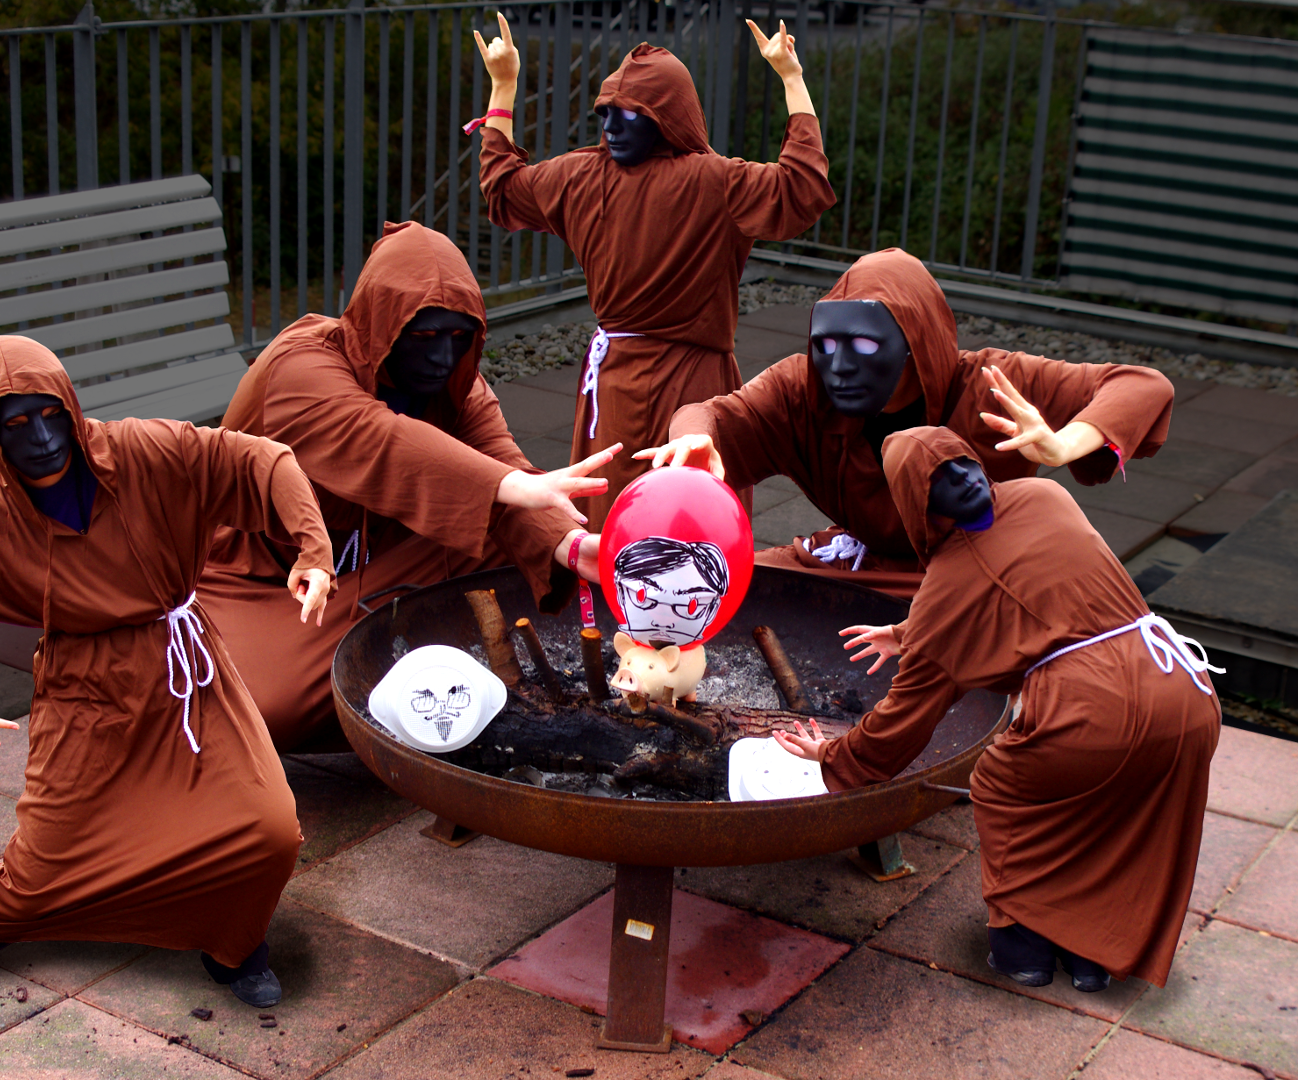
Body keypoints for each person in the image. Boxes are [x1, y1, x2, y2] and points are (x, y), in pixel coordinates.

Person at [0, 335, 335, 1008]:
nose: (41, 439)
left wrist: (312, 549)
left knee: (268, 830)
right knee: (43, 867)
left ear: (71, 407)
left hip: (187, 672)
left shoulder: (145, 451)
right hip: (84, 690)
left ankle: (234, 943)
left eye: (50, 415)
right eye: (16, 425)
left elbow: (264, 460)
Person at [775, 425, 1221, 991]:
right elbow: (1033, 584)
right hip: (1182, 687)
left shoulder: (951, 582)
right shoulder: (1044, 496)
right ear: (919, 500)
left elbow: (905, 718)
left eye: (963, 463)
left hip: (1095, 709)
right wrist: (911, 632)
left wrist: (835, 756)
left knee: (1003, 785)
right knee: (1109, 807)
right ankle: (1092, 956)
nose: (965, 479)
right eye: (942, 477)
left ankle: (1022, 947)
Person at [196, 221, 612, 752]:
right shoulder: (299, 365)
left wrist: (572, 545)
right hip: (264, 578)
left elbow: (500, 461)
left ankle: (415, 674)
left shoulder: (457, 385)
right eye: (422, 338)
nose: (443, 358)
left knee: (512, 538)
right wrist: (506, 484)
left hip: (382, 564)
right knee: (262, 709)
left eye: (460, 338)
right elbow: (380, 439)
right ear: (379, 324)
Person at [471, 15, 835, 527]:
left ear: (667, 119)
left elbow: (501, 187)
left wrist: (503, 88)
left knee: (633, 519)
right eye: (605, 112)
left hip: (643, 385)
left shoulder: (587, 177)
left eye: (630, 114)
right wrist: (792, 79)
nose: (611, 127)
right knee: (686, 521)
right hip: (672, 384)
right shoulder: (713, 181)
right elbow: (803, 186)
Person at [642, 247, 1175, 597]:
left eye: (865, 345)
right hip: (860, 563)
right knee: (726, 590)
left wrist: (1062, 445)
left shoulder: (992, 384)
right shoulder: (805, 390)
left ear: (916, 344)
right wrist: (693, 437)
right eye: (826, 345)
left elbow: (1142, 386)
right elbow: (712, 414)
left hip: (973, 577)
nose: (839, 367)